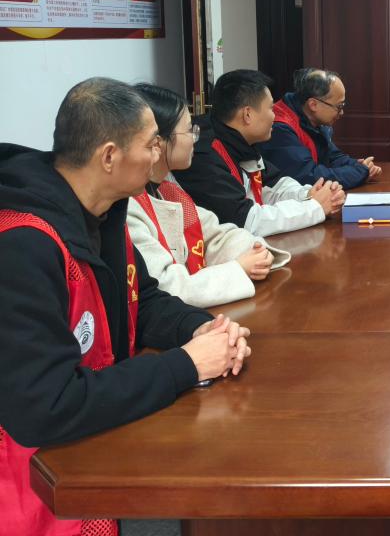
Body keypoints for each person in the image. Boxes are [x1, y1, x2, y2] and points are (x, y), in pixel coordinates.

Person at [0, 77, 251, 536]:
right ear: (109, 156)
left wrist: (199, 328)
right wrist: (186, 365)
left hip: (92, 446)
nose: (159, 154)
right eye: (151, 143)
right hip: (32, 481)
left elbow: (143, 297)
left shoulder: (103, 209)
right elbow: (46, 405)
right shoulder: (23, 246)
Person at [128, 83, 291, 308]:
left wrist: (255, 252)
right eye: (189, 130)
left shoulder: (169, 190)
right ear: (157, 142)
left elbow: (216, 234)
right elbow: (164, 287)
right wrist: (238, 269)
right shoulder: (130, 206)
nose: (195, 138)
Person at [175, 69, 345, 237]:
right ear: (247, 114)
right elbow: (247, 221)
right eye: (270, 108)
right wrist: (314, 207)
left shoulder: (239, 140)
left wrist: (308, 194)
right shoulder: (203, 153)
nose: (274, 115)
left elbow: (274, 185)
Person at [262, 67, 382, 189]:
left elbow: (333, 157)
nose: (341, 113)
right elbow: (310, 177)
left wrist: (359, 166)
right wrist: (361, 172)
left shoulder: (314, 119)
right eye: (339, 106)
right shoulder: (280, 128)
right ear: (313, 104)